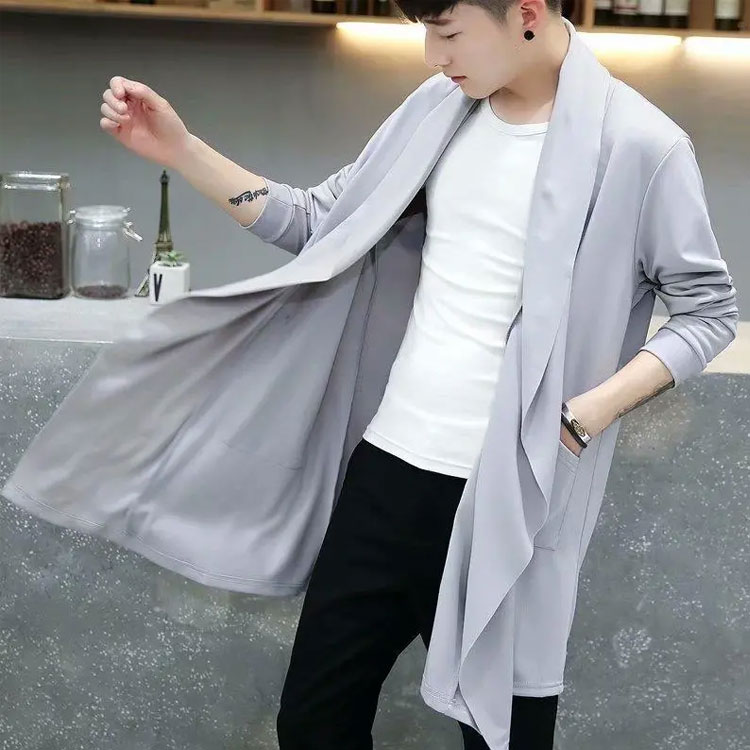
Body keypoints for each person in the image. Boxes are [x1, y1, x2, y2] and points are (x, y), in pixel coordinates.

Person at [93, 2, 733, 749]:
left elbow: (708, 312)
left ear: (526, 14)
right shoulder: (438, 110)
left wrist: (583, 416)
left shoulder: (640, 145)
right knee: (314, 723)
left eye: (449, 32)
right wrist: (181, 149)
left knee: (503, 735)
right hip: (390, 469)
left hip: (508, 492)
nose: (434, 55)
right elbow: (318, 221)